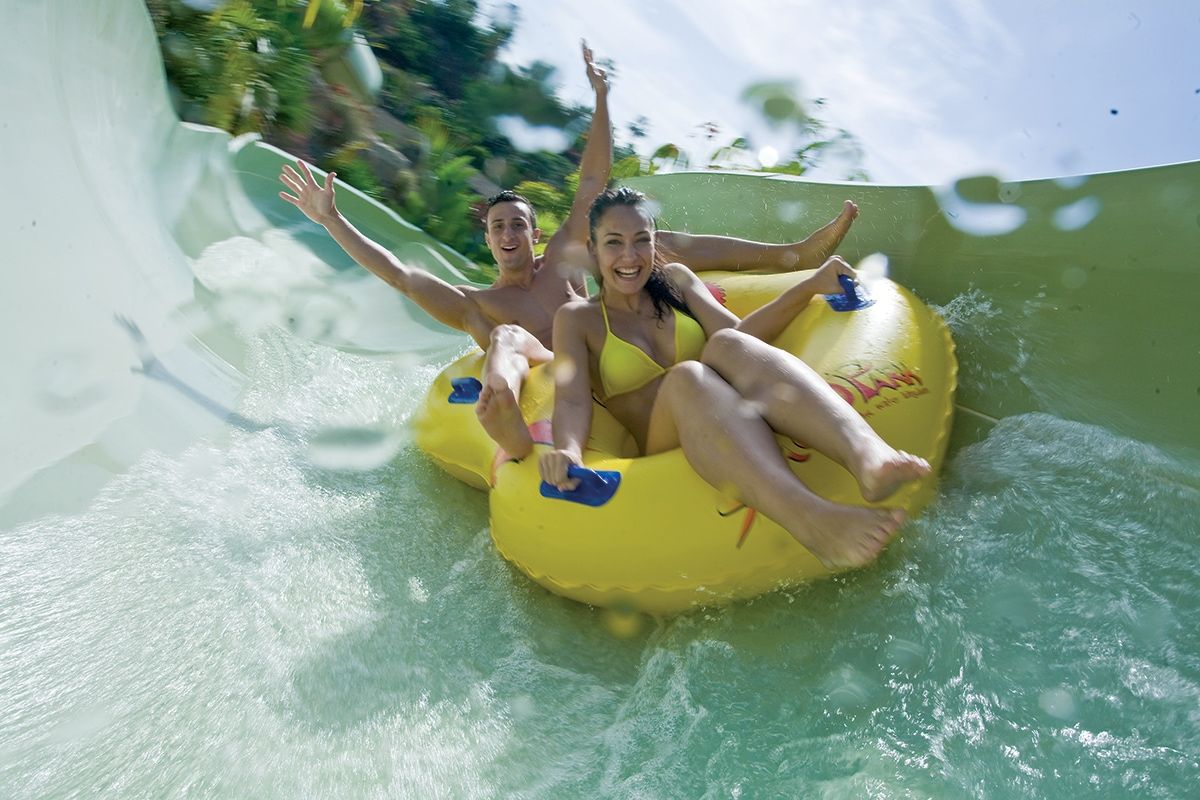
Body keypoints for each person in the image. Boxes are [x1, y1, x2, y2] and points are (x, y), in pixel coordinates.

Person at [280, 41, 861, 462]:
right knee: (509, 337)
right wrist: (333, 219)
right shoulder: (475, 303)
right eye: (499, 226)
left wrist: (601, 97)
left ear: (536, 235)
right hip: (565, 382)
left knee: (653, 247)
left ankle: (792, 255)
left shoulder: (562, 258)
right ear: (488, 239)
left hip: (623, 354)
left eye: (519, 225)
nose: (508, 234)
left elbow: (592, 183)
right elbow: (402, 277)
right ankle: (502, 409)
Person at [538, 187, 931, 570]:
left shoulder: (675, 281)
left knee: (725, 342)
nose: (629, 255)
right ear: (592, 250)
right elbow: (572, 399)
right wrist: (569, 451)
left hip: (721, 412)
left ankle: (867, 457)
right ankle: (812, 520)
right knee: (688, 375)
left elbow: (743, 338)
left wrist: (807, 286)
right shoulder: (578, 319)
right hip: (662, 442)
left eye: (642, 240)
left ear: (655, 243)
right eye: (613, 242)